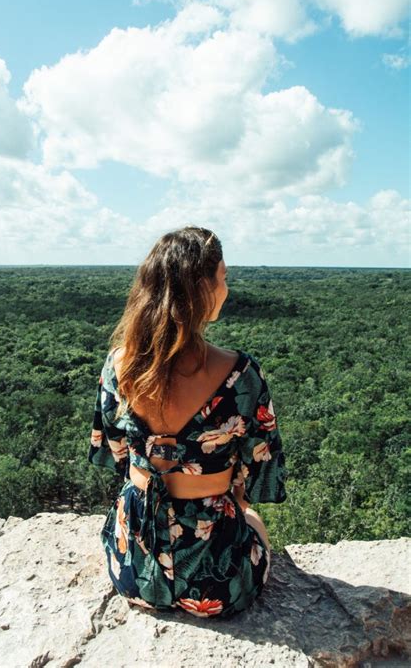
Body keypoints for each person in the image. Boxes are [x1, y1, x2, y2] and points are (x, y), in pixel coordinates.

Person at [88, 225, 287, 618]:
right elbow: (260, 470)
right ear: (201, 288)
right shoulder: (241, 374)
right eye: (223, 278)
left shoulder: (119, 366)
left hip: (135, 570)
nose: (227, 289)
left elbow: (116, 453)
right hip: (220, 582)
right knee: (254, 521)